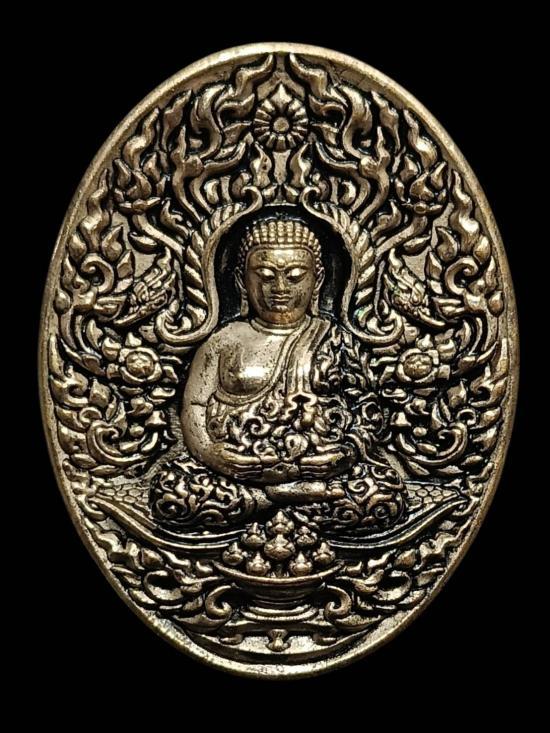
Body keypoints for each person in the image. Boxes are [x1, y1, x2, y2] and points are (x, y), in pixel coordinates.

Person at [150, 215, 404, 530]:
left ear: (317, 281)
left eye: (295, 276)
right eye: (265, 276)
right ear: (242, 281)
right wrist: (209, 453)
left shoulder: (335, 339)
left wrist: (346, 453)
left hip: (318, 469)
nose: (280, 288)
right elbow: (194, 405)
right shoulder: (223, 341)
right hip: (237, 471)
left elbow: (365, 411)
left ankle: (266, 501)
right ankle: (278, 497)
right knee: (173, 492)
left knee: (383, 495)